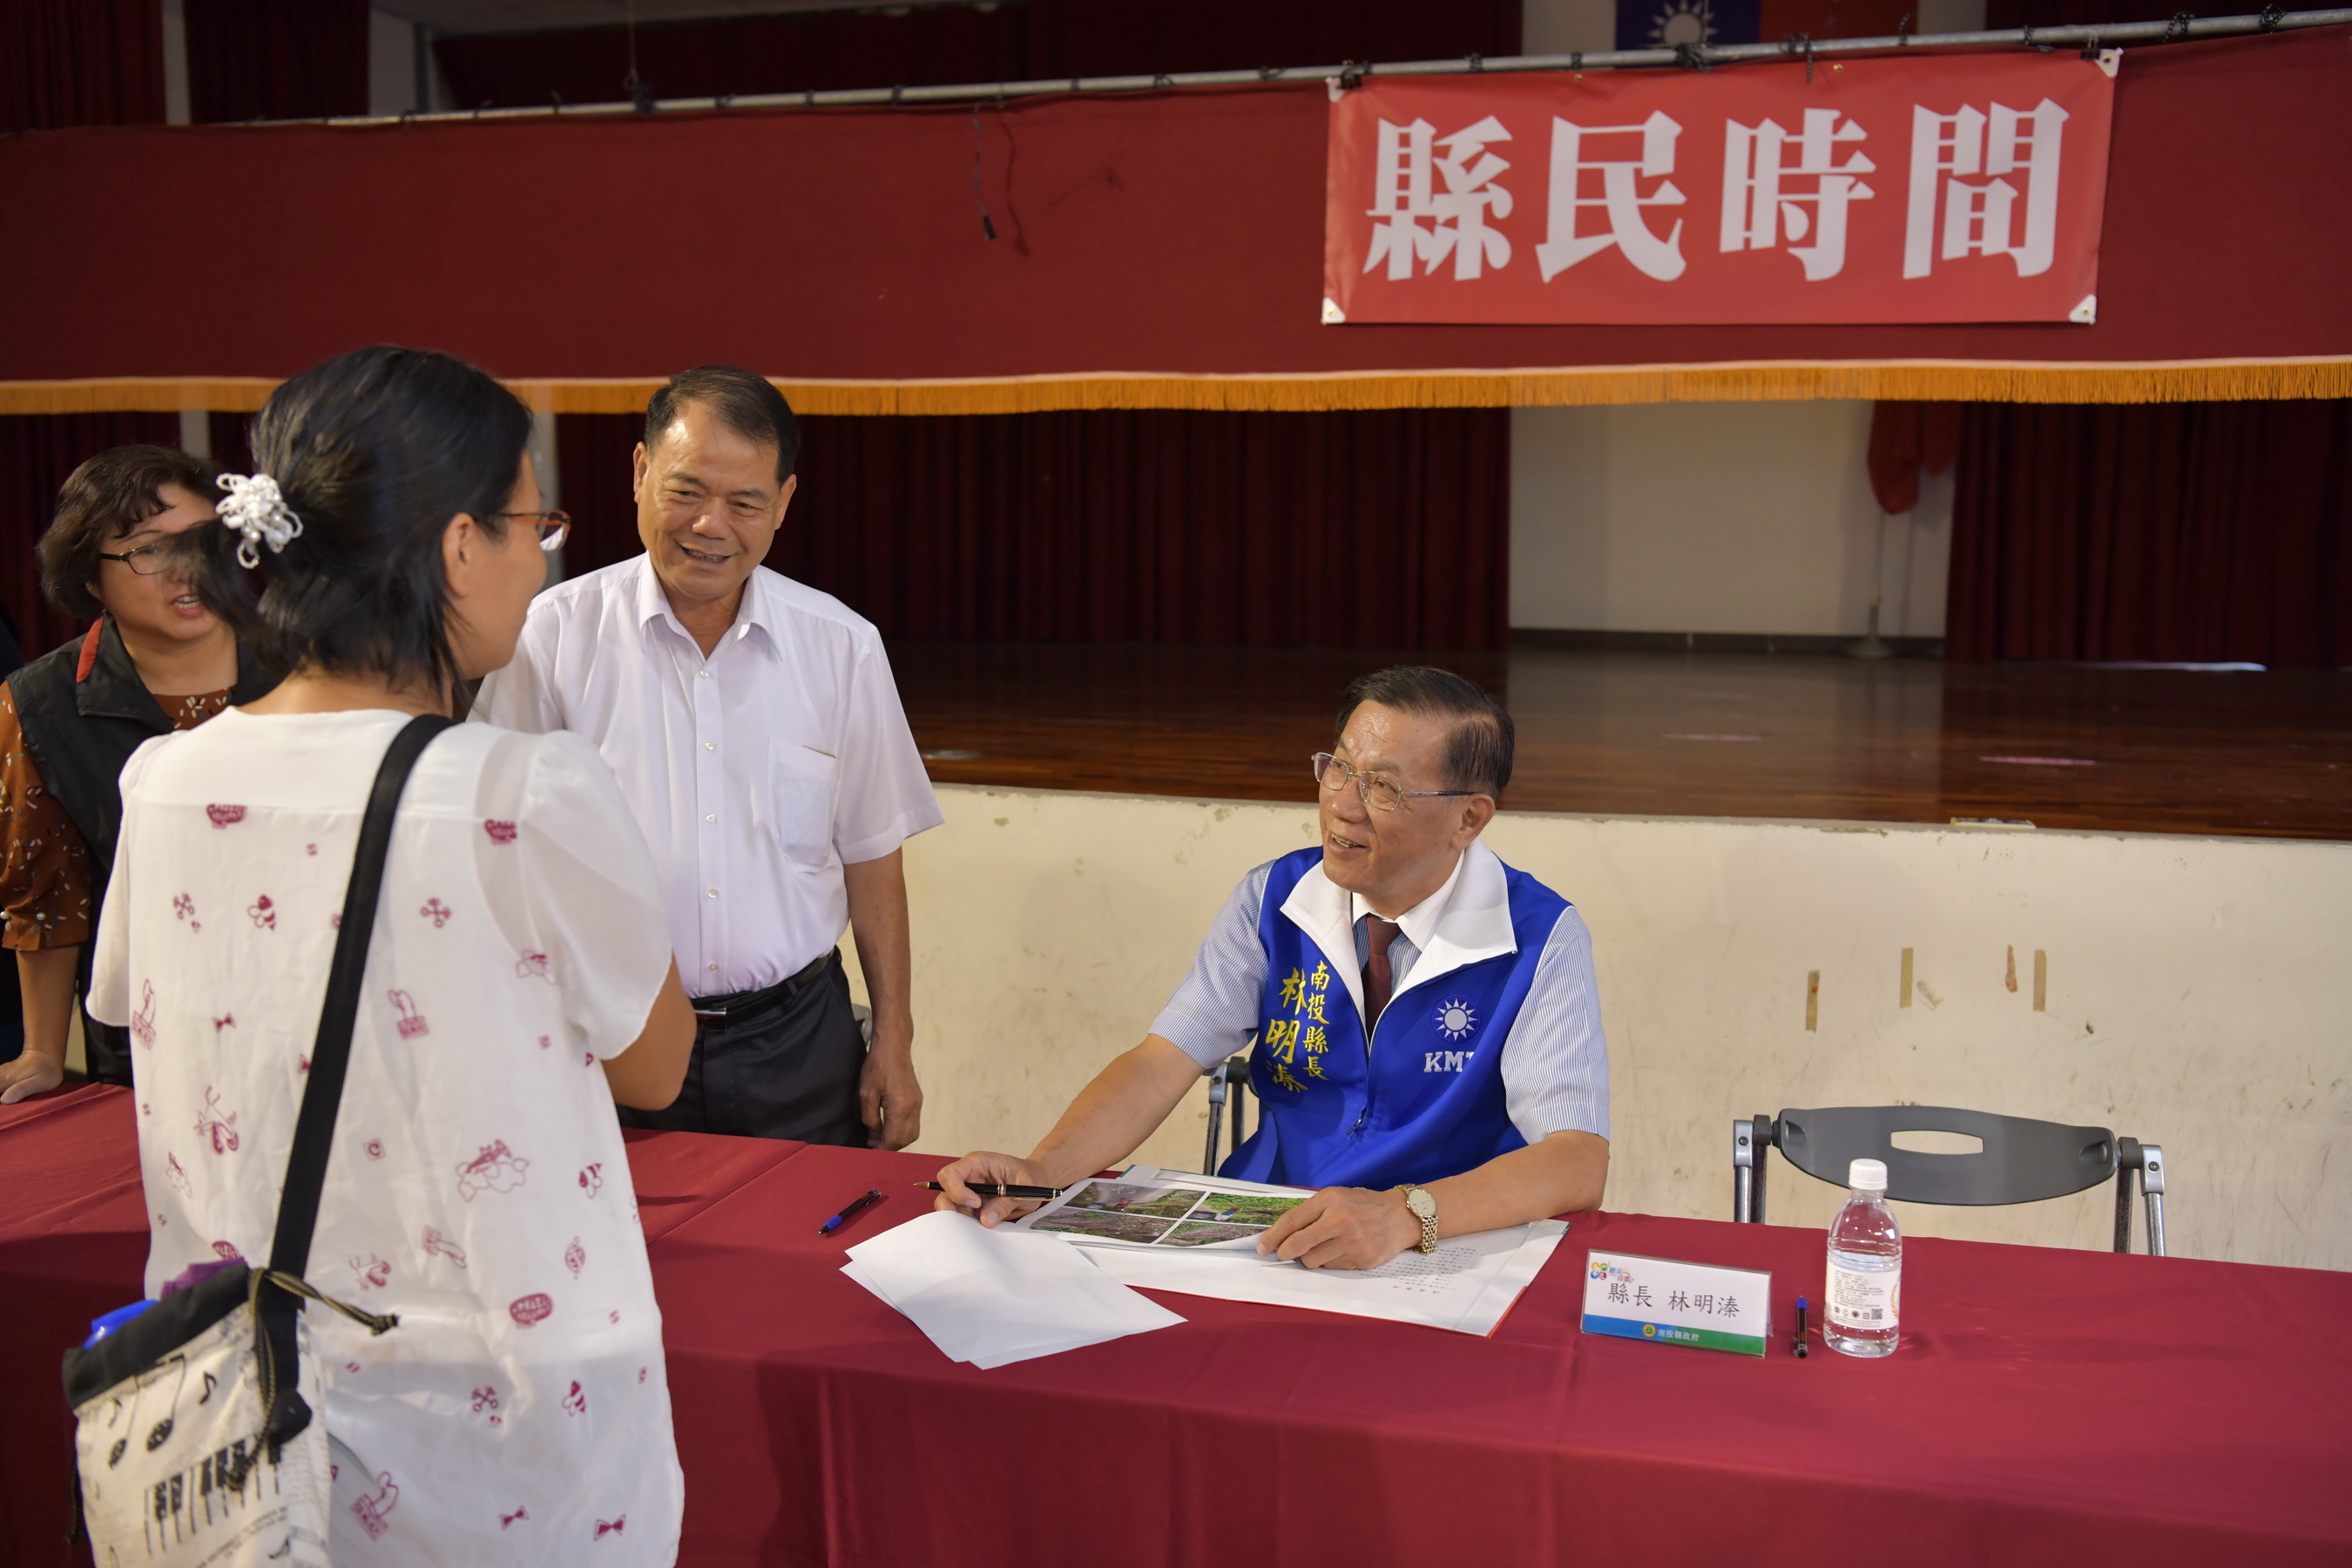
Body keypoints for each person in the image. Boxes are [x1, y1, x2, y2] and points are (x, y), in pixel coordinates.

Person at [88, 346, 699, 1563]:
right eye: (534, 525)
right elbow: (656, 1066)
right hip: (499, 1416)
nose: (542, 560)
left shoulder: (162, 783)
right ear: (460, 547)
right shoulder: (524, 792)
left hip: (241, 1404)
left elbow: (131, 1016)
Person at [936, 666, 1611, 1272]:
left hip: (1440, 1247)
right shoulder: (1273, 899)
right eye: (1338, 768)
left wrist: (1404, 1216)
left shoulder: (1539, 937)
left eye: (1383, 787)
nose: (1343, 805)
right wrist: (1040, 1172)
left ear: (1468, 818)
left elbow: (1577, 1158)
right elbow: (1162, 1061)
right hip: (1268, 1234)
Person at [473, 366, 942, 1148]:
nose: (710, 525)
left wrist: (894, 1037)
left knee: (813, 1228)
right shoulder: (549, 638)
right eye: (685, 491)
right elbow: (496, 854)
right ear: (639, 472)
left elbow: (871, 857)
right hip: (607, 1039)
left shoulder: (841, 647)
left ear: (784, 502)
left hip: (797, 1042)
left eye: (745, 503)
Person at [1, 446, 277, 1102]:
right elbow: (50, 896)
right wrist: (42, 1050)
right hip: (150, 1035)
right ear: (89, 577)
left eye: (206, 540)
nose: (188, 569)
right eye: (149, 549)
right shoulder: (40, 703)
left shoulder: (310, 663)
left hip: (311, 1000)